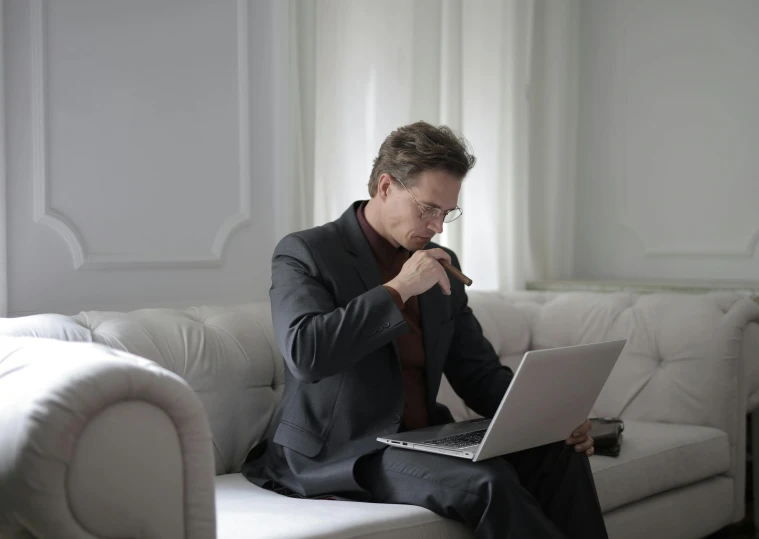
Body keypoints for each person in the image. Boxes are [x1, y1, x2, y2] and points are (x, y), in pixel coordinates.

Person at [243, 121, 607, 538]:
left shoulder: (441, 261)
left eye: (446, 212)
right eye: (428, 209)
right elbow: (307, 354)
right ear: (385, 187)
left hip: (424, 439)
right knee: (489, 483)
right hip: (342, 450)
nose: (438, 226)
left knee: (560, 454)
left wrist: (549, 417)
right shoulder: (306, 251)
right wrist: (398, 289)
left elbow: (478, 373)